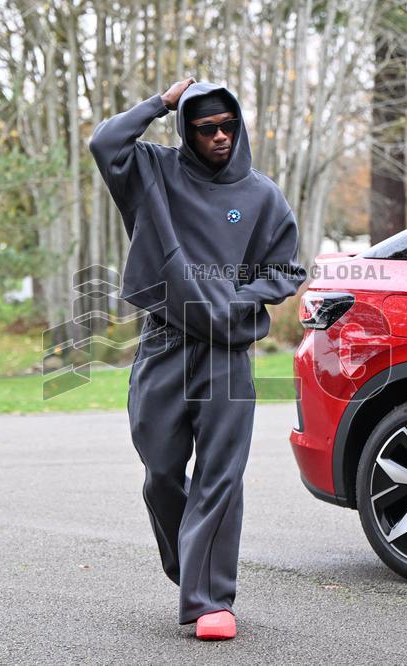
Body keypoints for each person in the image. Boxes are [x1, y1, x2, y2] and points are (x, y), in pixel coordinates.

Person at [88, 77, 307, 640]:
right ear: (186, 129)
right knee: (161, 471)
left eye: (228, 126)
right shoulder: (154, 173)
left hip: (229, 352)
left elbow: (285, 270)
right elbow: (104, 144)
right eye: (206, 128)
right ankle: (191, 565)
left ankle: (210, 600)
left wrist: (239, 301)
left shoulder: (262, 195)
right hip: (164, 342)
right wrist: (158, 104)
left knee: (219, 477)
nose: (219, 137)